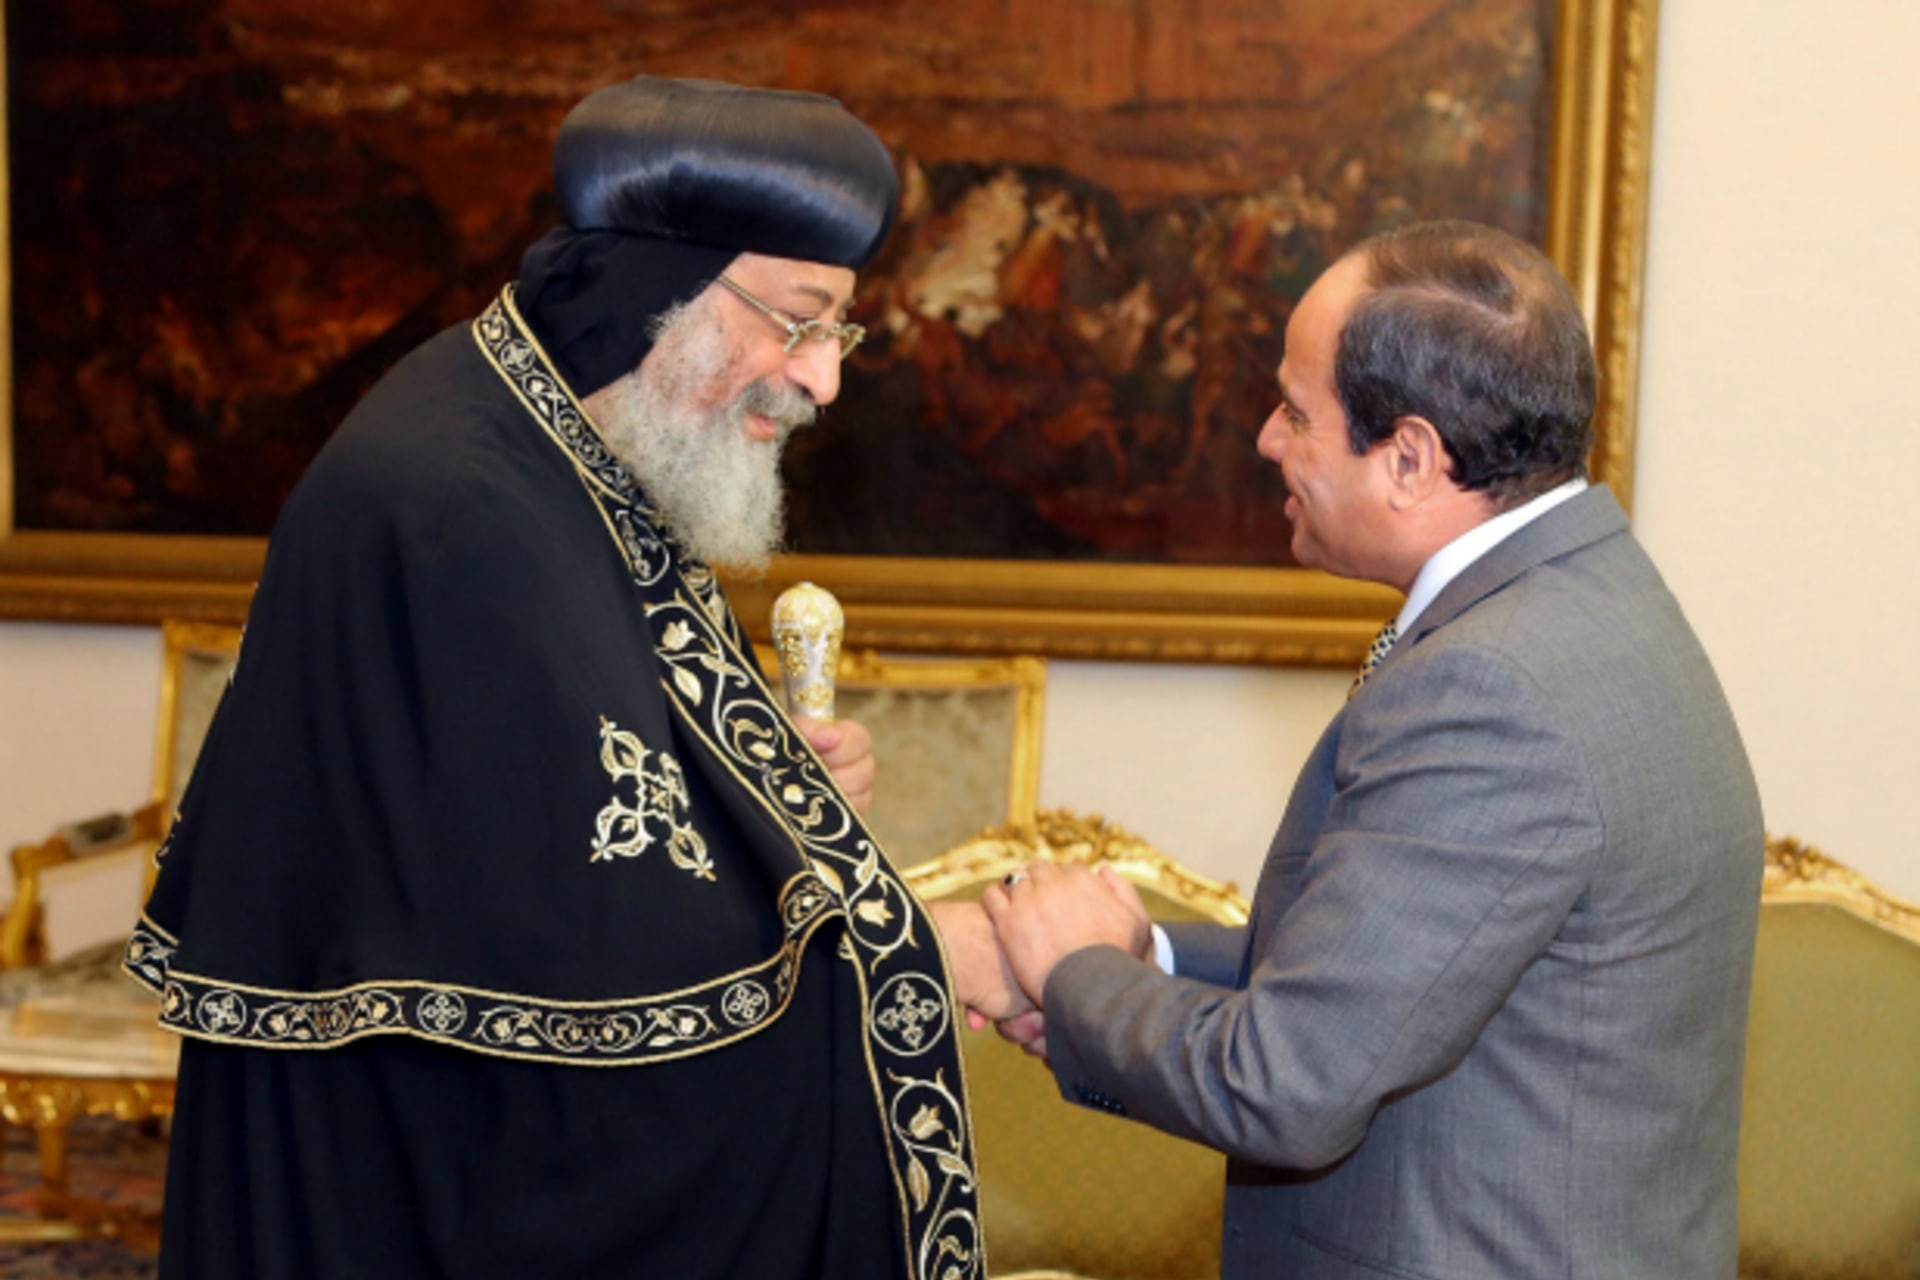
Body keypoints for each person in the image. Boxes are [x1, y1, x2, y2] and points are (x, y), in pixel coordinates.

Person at [124, 76, 983, 1280]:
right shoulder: (454, 503)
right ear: (655, 285)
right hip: (417, 1159)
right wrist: (911, 951)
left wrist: (768, 789)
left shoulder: (564, 432)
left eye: (837, 329)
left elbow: (596, 772)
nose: (822, 379)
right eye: (798, 319)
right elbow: (593, 954)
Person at [954, 220, 1765, 1279]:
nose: (1264, 437)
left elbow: (1285, 1086)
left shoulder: (1495, 683)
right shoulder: (1593, 600)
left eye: (1296, 410)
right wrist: (1139, 963)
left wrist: (1075, 972)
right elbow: (1389, 974)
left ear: (1411, 458)